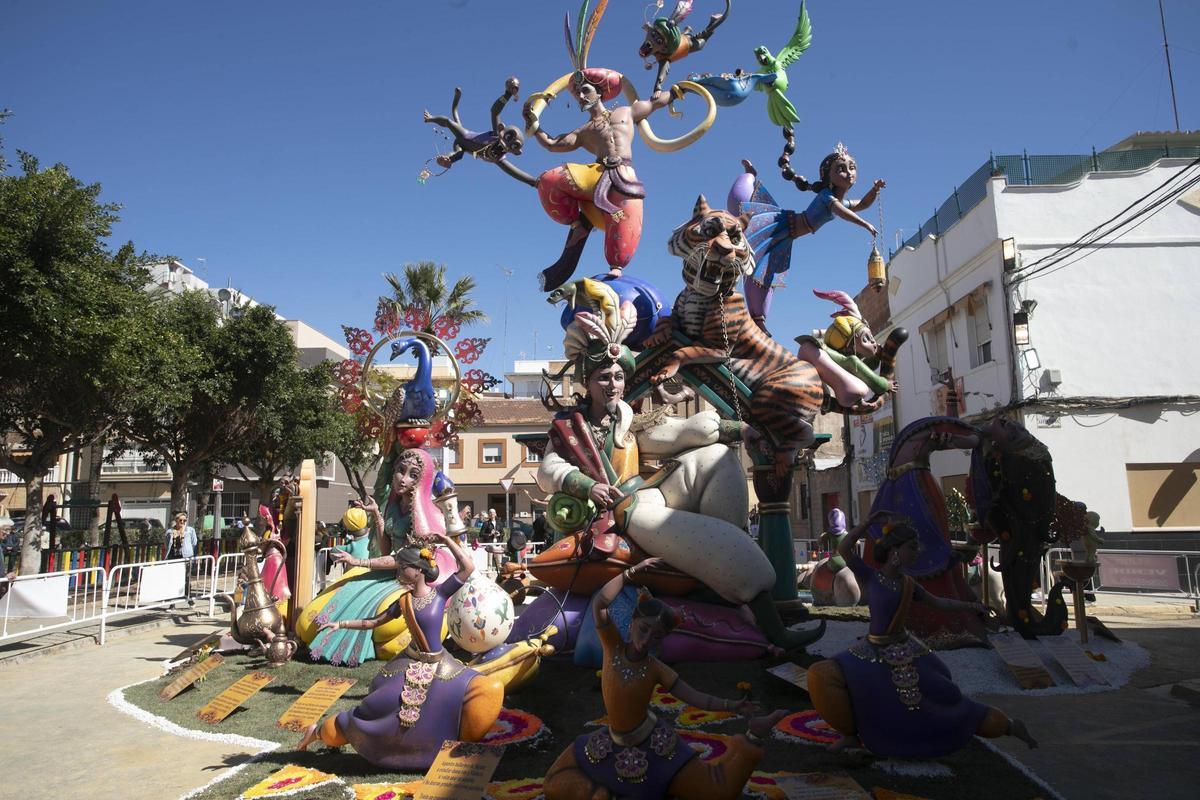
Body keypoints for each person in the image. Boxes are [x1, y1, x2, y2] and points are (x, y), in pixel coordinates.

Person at [536, 333, 824, 651]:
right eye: (603, 377)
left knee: (718, 456)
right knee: (646, 512)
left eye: (618, 377)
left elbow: (681, 432)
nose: (612, 384)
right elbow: (548, 470)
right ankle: (771, 623)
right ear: (587, 382)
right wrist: (587, 486)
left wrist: (739, 430)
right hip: (619, 512)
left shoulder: (630, 423)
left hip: (644, 495)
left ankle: (717, 584)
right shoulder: (569, 429)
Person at [543, 558, 787, 800]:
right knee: (554, 782)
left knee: (717, 790)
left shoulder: (655, 668)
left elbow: (694, 696)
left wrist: (732, 705)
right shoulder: (612, 646)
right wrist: (631, 573)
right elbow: (600, 604)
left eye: (657, 636)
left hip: (654, 746)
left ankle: (753, 738)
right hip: (610, 742)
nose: (647, 639)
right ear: (631, 624)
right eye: (644, 629)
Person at [806, 510, 1037, 758]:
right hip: (871, 649)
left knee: (944, 696)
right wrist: (869, 523)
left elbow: (940, 603)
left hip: (905, 649)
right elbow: (846, 549)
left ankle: (1007, 726)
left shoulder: (908, 584)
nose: (917, 553)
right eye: (912, 547)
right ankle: (851, 736)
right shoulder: (870, 577)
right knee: (823, 676)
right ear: (895, 551)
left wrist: (972, 606)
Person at [298, 529, 504, 770]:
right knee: (376, 711)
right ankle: (319, 732)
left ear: (418, 569)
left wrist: (446, 540)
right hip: (409, 664)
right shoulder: (402, 602)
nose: (397, 573)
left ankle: (456, 749)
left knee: (478, 690)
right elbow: (373, 622)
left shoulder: (440, 594)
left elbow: (467, 568)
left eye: (402, 567)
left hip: (442, 664)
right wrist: (340, 623)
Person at [304, 449, 454, 666]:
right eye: (400, 471)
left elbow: (406, 560)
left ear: (422, 480)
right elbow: (386, 550)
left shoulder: (422, 515)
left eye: (413, 474)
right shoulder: (393, 506)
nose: (403, 479)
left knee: (366, 598)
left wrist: (359, 561)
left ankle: (349, 647)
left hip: (410, 576)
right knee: (350, 587)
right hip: (391, 571)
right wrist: (377, 513)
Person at [479, 509, 503, 573]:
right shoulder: (486, 523)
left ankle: (500, 575)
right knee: (489, 562)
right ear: (489, 515)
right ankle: (489, 575)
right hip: (489, 544)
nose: (492, 514)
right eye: (490, 513)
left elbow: (503, 533)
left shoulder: (499, 523)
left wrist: (499, 534)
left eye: (493, 513)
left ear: (495, 514)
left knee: (499, 562)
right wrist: (490, 534)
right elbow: (481, 534)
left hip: (497, 544)